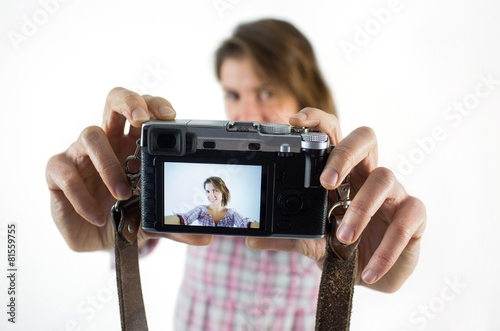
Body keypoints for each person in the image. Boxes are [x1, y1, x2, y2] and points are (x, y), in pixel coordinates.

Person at [46, 18, 426, 330]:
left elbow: (369, 263)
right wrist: (115, 223)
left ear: (303, 90)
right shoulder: (196, 193)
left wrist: (351, 253)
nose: (246, 114)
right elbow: (149, 231)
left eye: (266, 92)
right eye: (233, 93)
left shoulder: (339, 197)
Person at [165, 176, 258, 228]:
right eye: (208, 191)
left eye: (215, 190)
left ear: (223, 192)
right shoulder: (200, 210)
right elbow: (184, 219)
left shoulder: (232, 213)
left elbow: (245, 224)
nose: (211, 195)